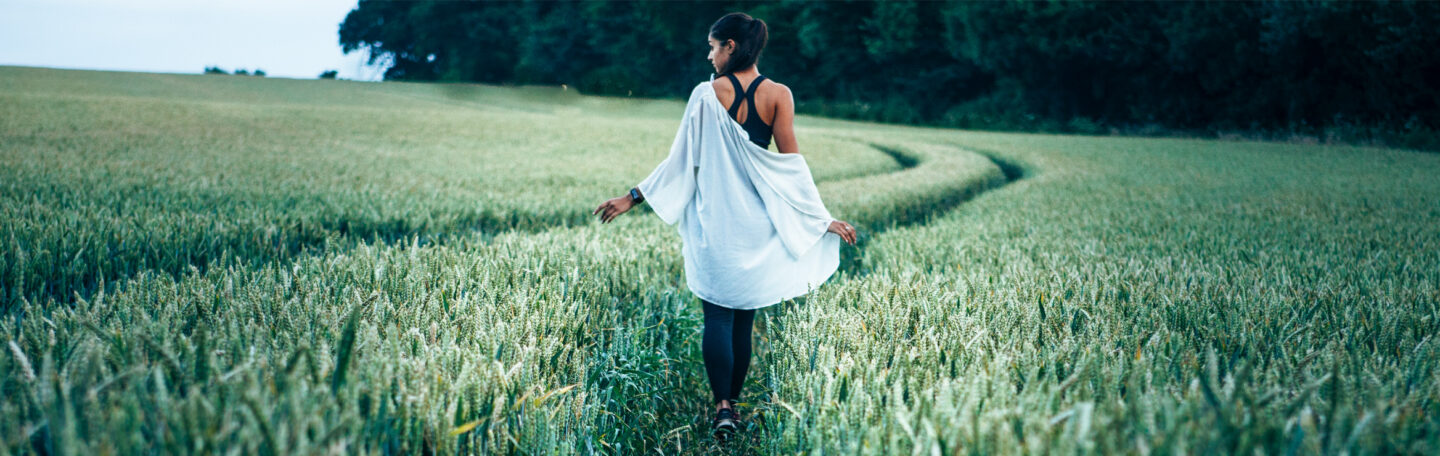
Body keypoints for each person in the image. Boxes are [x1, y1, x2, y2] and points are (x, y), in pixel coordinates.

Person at [592, 12, 858, 439]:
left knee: (716, 316)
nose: (710, 54)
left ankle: (723, 408)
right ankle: (731, 408)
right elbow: (790, 167)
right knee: (743, 318)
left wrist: (633, 197)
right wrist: (819, 219)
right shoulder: (779, 94)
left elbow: (681, 160)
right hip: (757, 225)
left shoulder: (704, 94)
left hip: (716, 224)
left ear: (731, 46)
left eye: (713, 46)